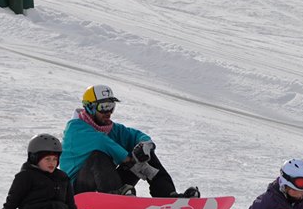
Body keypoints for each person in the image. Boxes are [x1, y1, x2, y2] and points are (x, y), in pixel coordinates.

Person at [60, 85, 200, 199]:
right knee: (98, 156)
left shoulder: (111, 128)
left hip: (108, 186)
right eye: (103, 107)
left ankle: (167, 195)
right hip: (78, 191)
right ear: (89, 107)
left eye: (111, 106)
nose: (108, 112)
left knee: (143, 152)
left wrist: (145, 146)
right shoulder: (75, 127)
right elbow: (100, 142)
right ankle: (117, 197)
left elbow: (135, 135)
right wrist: (128, 159)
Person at [0, 134, 102, 209]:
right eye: (47, 159)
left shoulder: (62, 177)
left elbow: (71, 206)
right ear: (34, 158)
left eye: (55, 159)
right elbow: (12, 202)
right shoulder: (25, 176)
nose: (52, 163)